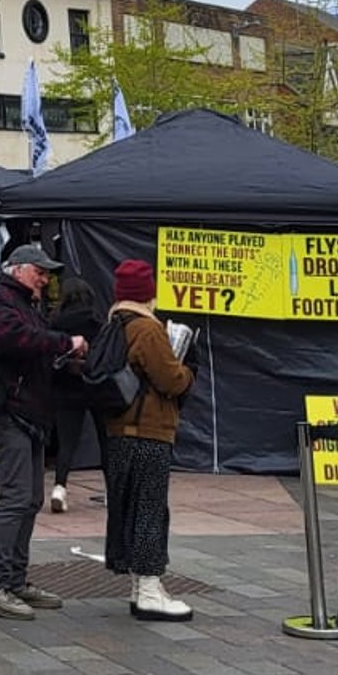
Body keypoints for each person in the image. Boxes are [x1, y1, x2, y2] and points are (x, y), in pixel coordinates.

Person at [0, 246, 89, 622]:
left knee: (31, 497)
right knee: (17, 497)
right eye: (40, 272)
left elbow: (29, 348)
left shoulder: (21, 302)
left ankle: (16, 581)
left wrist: (63, 360)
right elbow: (12, 339)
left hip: (29, 413)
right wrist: (63, 342)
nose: (45, 279)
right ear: (19, 270)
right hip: (7, 414)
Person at [98, 260, 197, 621]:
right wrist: (187, 370)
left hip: (120, 432)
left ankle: (141, 586)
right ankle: (151, 591)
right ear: (148, 293)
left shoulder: (114, 325)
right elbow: (171, 380)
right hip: (149, 431)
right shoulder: (147, 330)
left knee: (132, 509)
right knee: (151, 510)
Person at [45, 287, 100, 513]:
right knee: (106, 440)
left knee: (67, 444)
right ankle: (113, 492)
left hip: (65, 389)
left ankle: (60, 486)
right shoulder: (97, 325)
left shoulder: (55, 325)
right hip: (94, 387)